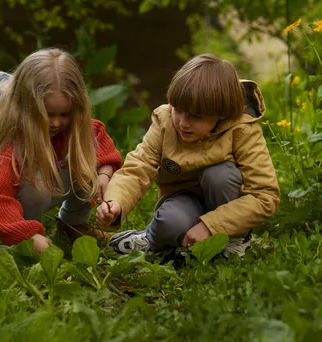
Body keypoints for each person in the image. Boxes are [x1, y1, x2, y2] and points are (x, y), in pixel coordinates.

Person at [96, 54, 280, 257]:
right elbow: (138, 167)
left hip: (228, 200)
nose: (183, 123)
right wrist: (115, 202)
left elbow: (264, 195)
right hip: (184, 199)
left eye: (195, 116)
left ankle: (236, 240)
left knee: (219, 174)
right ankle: (150, 238)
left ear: (222, 113)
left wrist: (212, 226)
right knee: (170, 222)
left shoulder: (243, 128)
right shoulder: (165, 122)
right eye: (178, 110)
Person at [0, 48, 122, 254]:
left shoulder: (71, 124)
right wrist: (28, 237)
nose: (57, 122)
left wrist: (104, 174)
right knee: (36, 186)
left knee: (85, 159)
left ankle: (72, 226)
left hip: (21, 186)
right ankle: (25, 244)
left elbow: (98, 138)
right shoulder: (10, 141)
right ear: (26, 106)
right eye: (47, 114)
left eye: (65, 114)